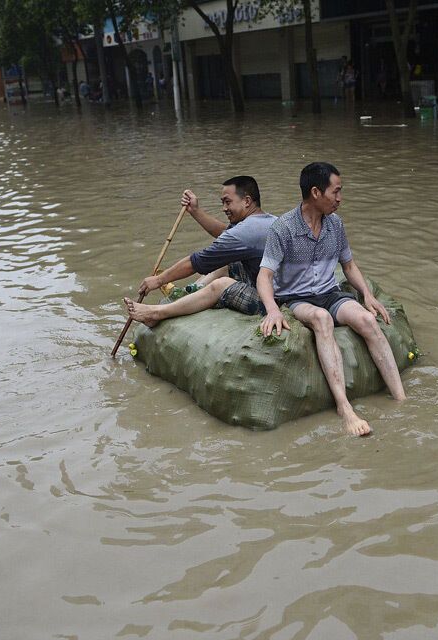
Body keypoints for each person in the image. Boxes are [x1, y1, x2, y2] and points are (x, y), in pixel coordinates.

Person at [257, 162, 406, 436]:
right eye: (335, 192)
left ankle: (401, 399)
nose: (340, 199)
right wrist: (272, 310)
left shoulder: (335, 225)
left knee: (366, 320)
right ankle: (344, 408)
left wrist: (368, 295)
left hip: (329, 293)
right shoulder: (283, 228)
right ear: (316, 192)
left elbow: (348, 266)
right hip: (296, 298)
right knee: (321, 319)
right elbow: (264, 275)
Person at [123, 177, 277, 327]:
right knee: (227, 260)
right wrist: (195, 211)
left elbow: (197, 262)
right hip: (274, 285)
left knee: (221, 284)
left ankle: (156, 313)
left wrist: (159, 280)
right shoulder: (266, 221)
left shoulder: (245, 232)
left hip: (274, 301)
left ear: (247, 201)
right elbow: (227, 234)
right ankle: (188, 293)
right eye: (222, 203)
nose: (224, 208)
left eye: (228, 202)